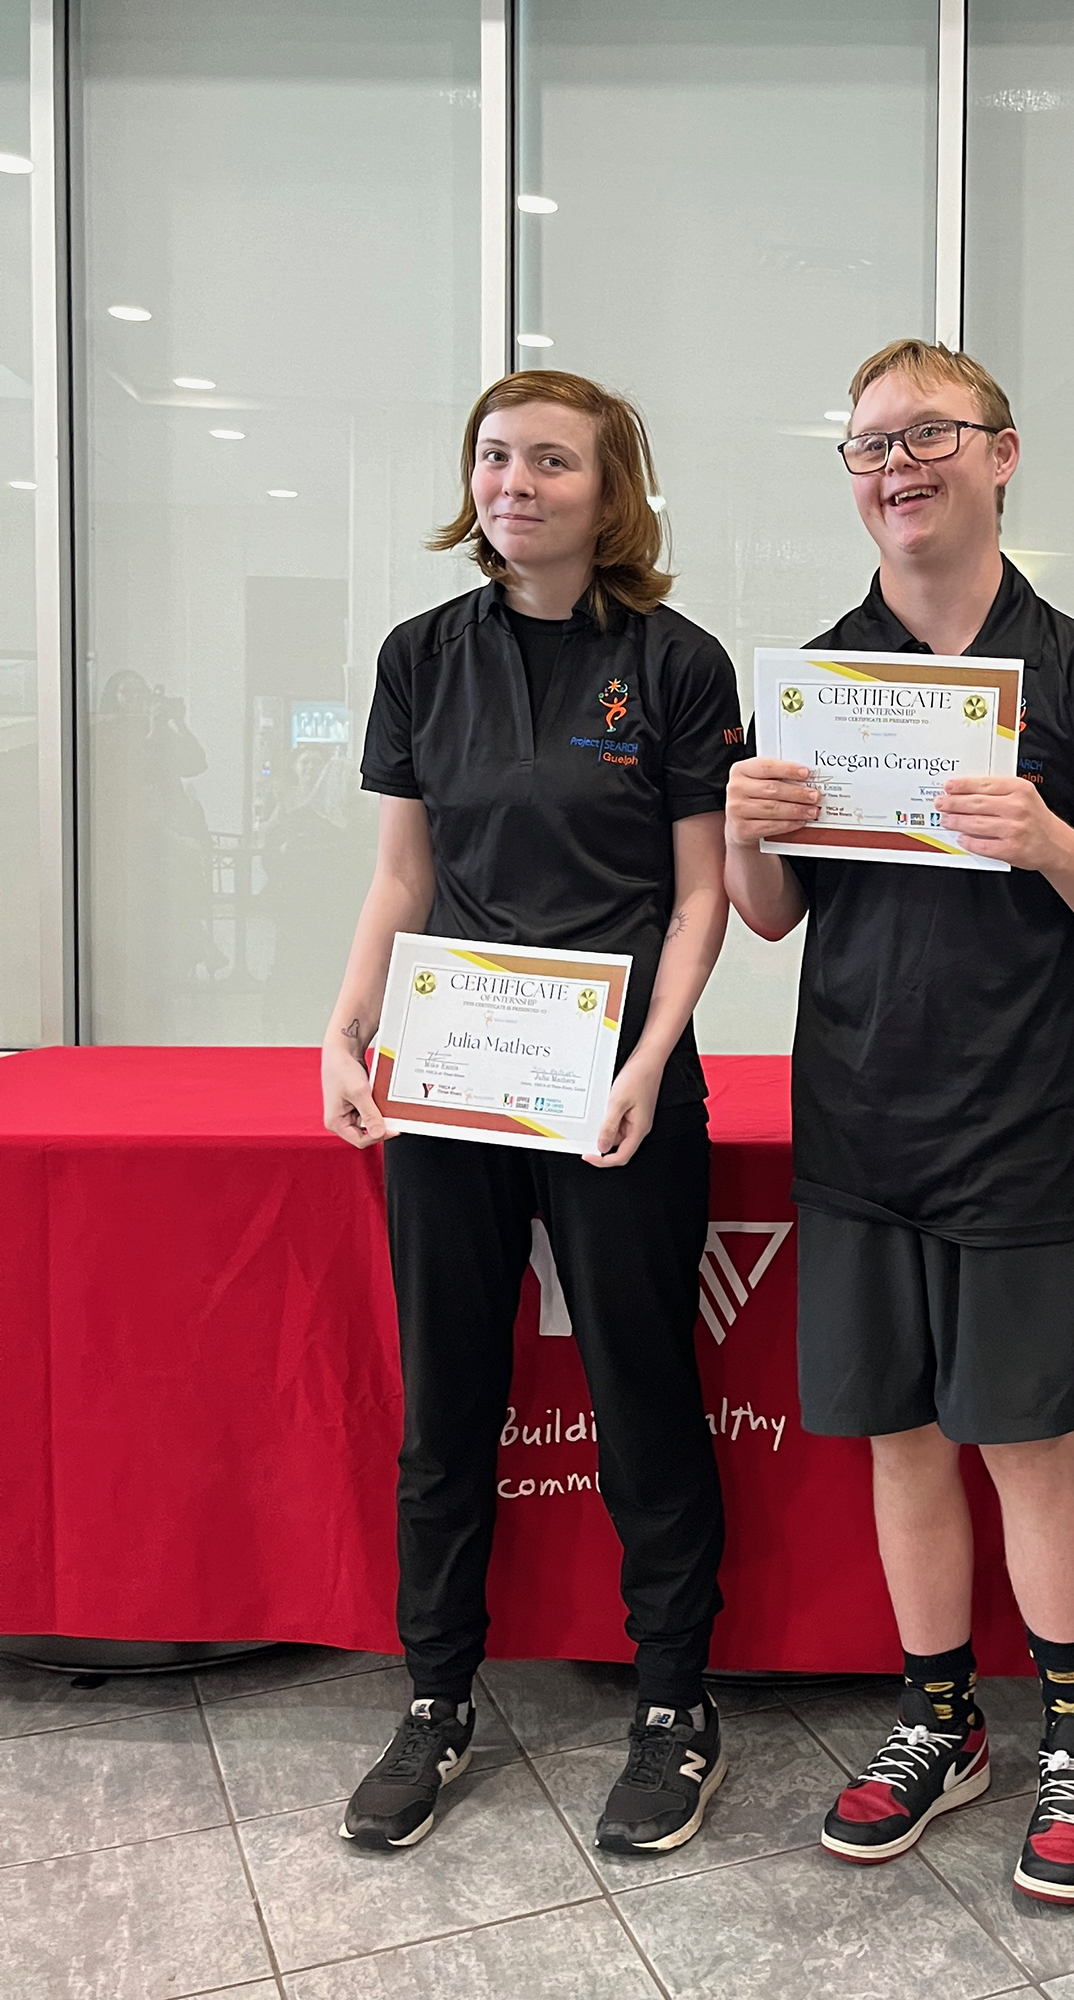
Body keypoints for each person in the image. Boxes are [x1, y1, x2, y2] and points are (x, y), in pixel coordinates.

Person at [723, 339, 1074, 1905]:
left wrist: (1045, 832)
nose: (895, 466)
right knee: (901, 1441)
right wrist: (748, 834)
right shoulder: (817, 678)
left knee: (1027, 1442)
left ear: (1003, 454)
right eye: (865, 446)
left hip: (1020, 1126)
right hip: (854, 1119)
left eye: (927, 436)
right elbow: (770, 919)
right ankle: (939, 1725)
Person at [321, 370, 740, 1856]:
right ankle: (435, 1697)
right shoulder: (420, 655)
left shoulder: (677, 663)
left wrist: (649, 1057)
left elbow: (703, 898)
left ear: (609, 489)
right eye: (496, 457)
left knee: (641, 1391)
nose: (517, 482)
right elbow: (401, 876)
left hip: (619, 1084)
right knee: (447, 1403)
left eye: (552, 462)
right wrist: (345, 1023)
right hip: (454, 1080)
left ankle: (676, 1705)